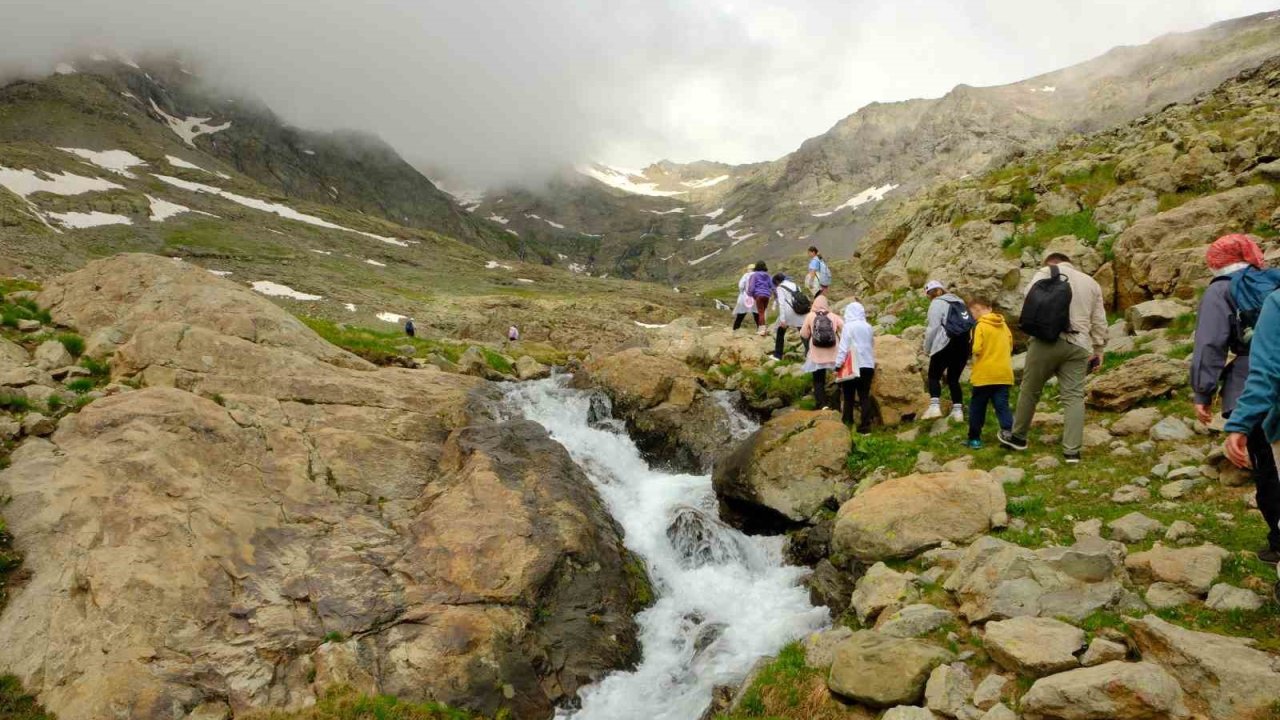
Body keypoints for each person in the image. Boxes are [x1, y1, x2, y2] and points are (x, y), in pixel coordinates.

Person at [1207, 236, 1280, 563]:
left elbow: (1264, 371)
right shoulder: (1271, 282)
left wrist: (1235, 422)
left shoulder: (1224, 290)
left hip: (1254, 397)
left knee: (1268, 476)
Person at [1000, 253, 1107, 463]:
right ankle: (1072, 451)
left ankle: (1018, 437)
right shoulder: (1092, 283)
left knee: (1030, 390)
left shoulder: (1046, 272)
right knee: (1074, 397)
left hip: (1045, 341)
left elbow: (1029, 299)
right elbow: (1099, 321)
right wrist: (1099, 350)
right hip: (1079, 345)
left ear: (1051, 262)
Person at [921, 280, 972, 422]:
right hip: (963, 344)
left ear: (934, 293)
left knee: (933, 375)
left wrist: (927, 348)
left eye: (929, 295)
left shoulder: (937, 303)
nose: (930, 297)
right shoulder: (960, 302)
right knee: (953, 378)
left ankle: (934, 407)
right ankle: (958, 412)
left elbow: (933, 328)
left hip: (945, 342)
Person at [966, 297, 1014, 449]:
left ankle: (974, 439)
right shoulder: (1004, 325)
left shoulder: (979, 326)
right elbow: (1011, 346)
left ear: (975, 311)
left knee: (977, 407)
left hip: (984, 375)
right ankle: (1009, 434)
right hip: (1003, 373)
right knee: (1002, 406)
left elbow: (976, 349)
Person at [835, 301, 876, 433]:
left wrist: (838, 364)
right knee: (864, 395)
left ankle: (847, 423)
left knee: (849, 397)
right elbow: (872, 344)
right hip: (868, 365)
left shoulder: (848, 326)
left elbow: (843, 347)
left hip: (853, 365)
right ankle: (865, 427)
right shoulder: (868, 327)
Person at [800, 294, 844, 409]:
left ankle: (822, 404)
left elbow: (803, 334)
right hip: (833, 351)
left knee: (818, 379)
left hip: (817, 353)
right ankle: (839, 401)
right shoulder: (833, 316)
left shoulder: (810, 316)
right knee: (839, 376)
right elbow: (844, 327)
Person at [772, 273, 808, 360]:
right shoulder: (796, 285)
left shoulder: (780, 288)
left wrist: (782, 320)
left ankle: (778, 355)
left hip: (788, 313)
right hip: (799, 311)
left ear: (777, 282)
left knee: (780, 332)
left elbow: (781, 304)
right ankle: (810, 354)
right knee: (803, 333)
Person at [747, 261, 774, 336]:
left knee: (760, 312)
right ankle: (762, 329)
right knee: (763, 312)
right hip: (767, 295)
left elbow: (752, 287)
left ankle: (762, 330)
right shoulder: (768, 275)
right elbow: (772, 286)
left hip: (758, 295)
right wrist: (773, 294)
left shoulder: (754, 275)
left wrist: (750, 294)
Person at [732, 265, 755, 331]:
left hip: (745, 297)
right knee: (757, 315)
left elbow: (741, 286)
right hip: (755, 298)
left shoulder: (746, 275)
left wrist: (742, 292)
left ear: (750, 269)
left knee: (741, 315)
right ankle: (760, 331)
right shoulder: (758, 275)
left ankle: (735, 330)